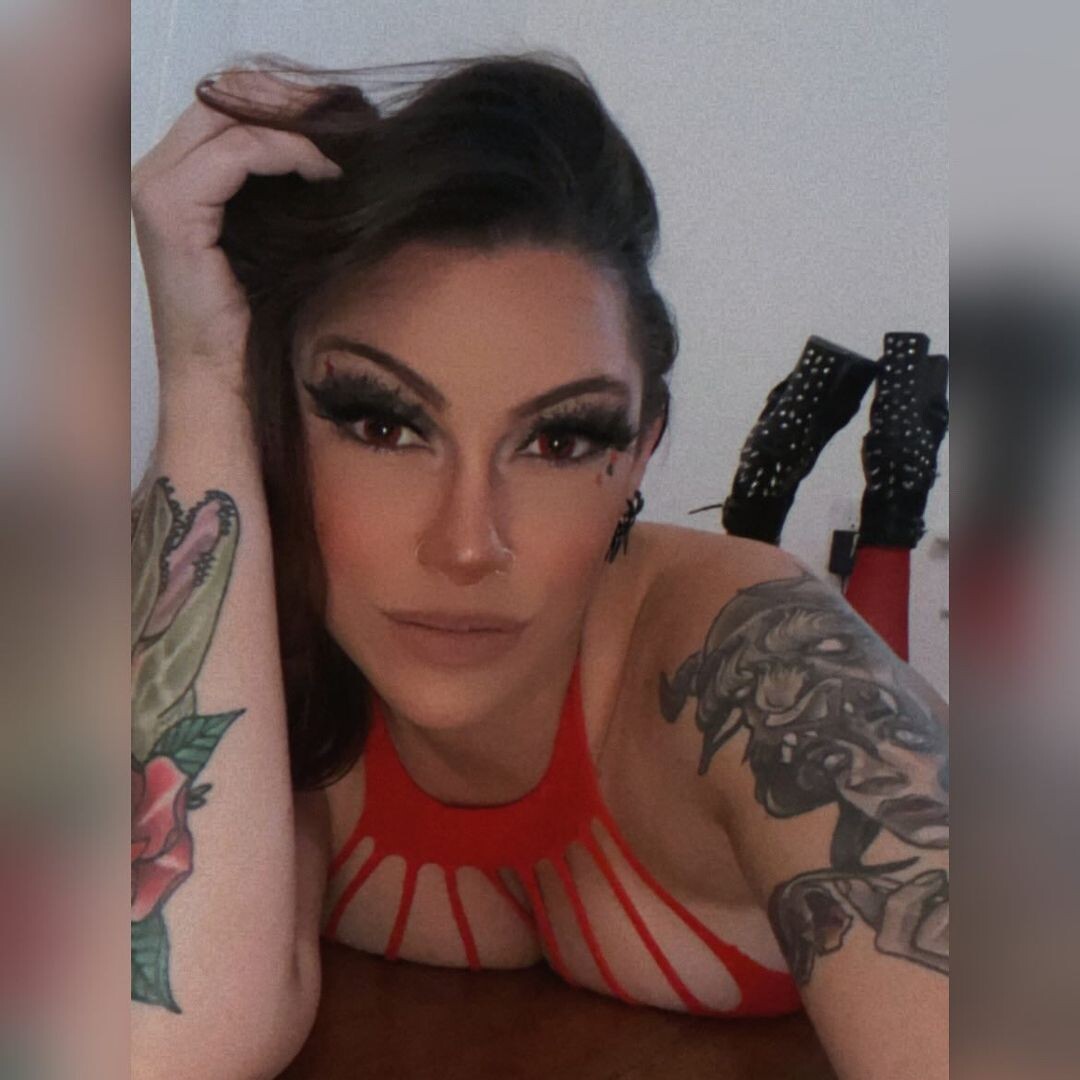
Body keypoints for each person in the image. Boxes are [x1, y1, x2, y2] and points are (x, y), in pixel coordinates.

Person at [131, 53, 948, 1079]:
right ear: (275, 424)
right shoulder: (268, 662)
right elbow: (152, 1046)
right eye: (382, 425)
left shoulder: (760, 674)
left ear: (641, 453)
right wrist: (204, 373)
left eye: (561, 440)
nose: (467, 544)